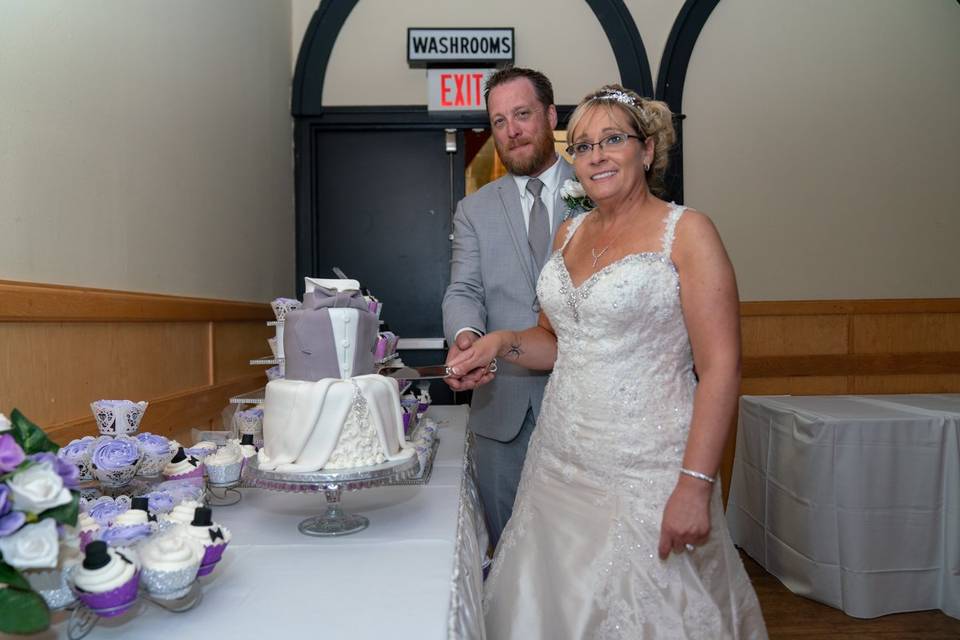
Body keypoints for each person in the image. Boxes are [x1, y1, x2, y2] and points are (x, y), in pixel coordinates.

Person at [446, 85, 768, 638]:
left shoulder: (688, 232)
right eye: (585, 144)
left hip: (648, 470)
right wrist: (498, 342)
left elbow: (720, 370)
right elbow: (556, 343)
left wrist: (694, 484)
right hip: (560, 464)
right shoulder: (570, 234)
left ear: (646, 151)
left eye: (612, 140)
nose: (596, 155)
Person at [442, 67, 575, 550]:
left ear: (550, 116)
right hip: (503, 413)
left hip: (586, 405)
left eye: (522, 114)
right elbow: (463, 292)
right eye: (499, 121)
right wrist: (466, 340)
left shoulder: (598, 190)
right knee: (510, 553)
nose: (512, 130)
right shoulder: (473, 209)